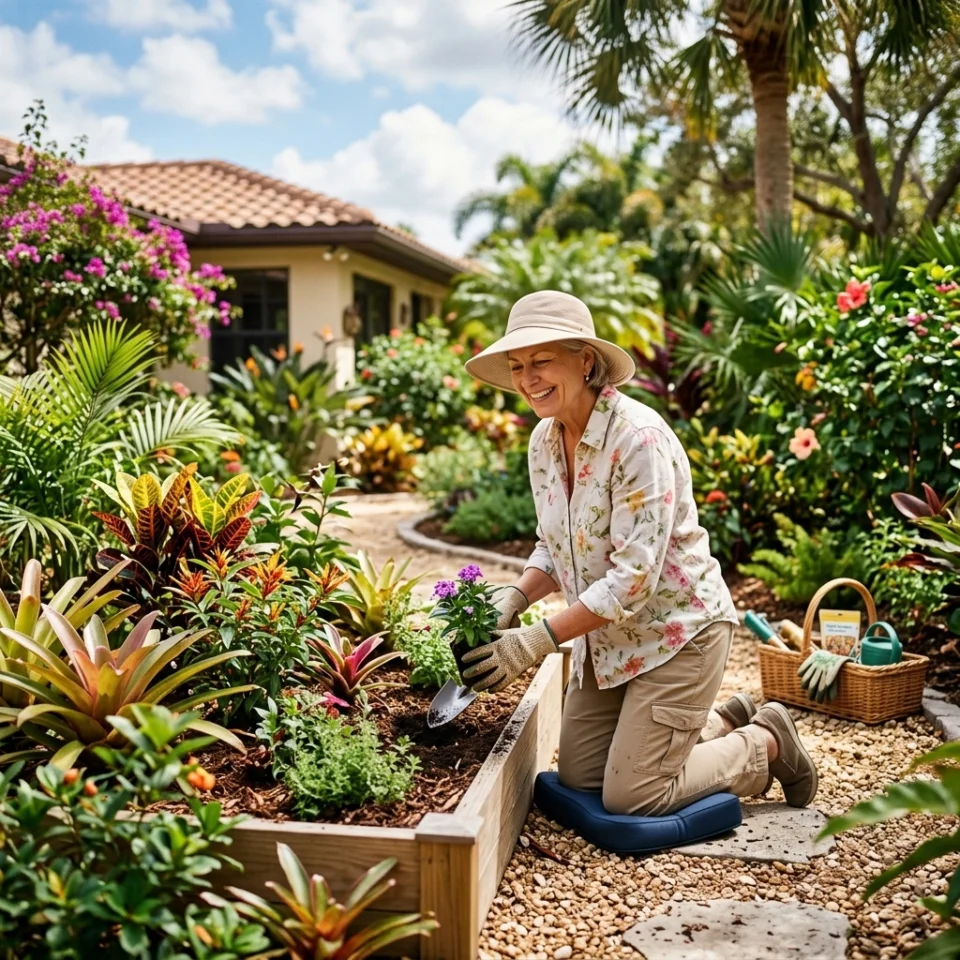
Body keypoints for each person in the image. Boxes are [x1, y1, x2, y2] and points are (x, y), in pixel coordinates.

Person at [460, 290, 818, 816]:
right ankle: (721, 721)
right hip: (610, 639)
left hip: (680, 633)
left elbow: (632, 580)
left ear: (585, 361)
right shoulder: (543, 441)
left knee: (633, 795)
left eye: (541, 361)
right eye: (517, 366)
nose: (527, 378)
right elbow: (553, 544)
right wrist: (512, 598)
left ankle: (765, 742)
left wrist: (535, 640)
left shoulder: (637, 439)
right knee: (583, 776)